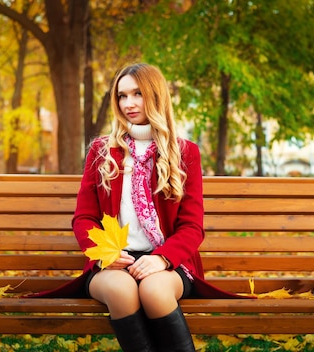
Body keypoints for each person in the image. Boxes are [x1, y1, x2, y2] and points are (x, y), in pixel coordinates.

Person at [61, 63, 242, 352]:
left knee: (153, 289)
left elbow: (192, 227)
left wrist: (162, 259)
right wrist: (106, 254)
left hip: (170, 263)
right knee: (122, 290)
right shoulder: (102, 151)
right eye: (122, 96)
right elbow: (84, 218)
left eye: (137, 94)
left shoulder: (184, 153)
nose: (128, 103)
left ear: (156, 96)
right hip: (112, 263)